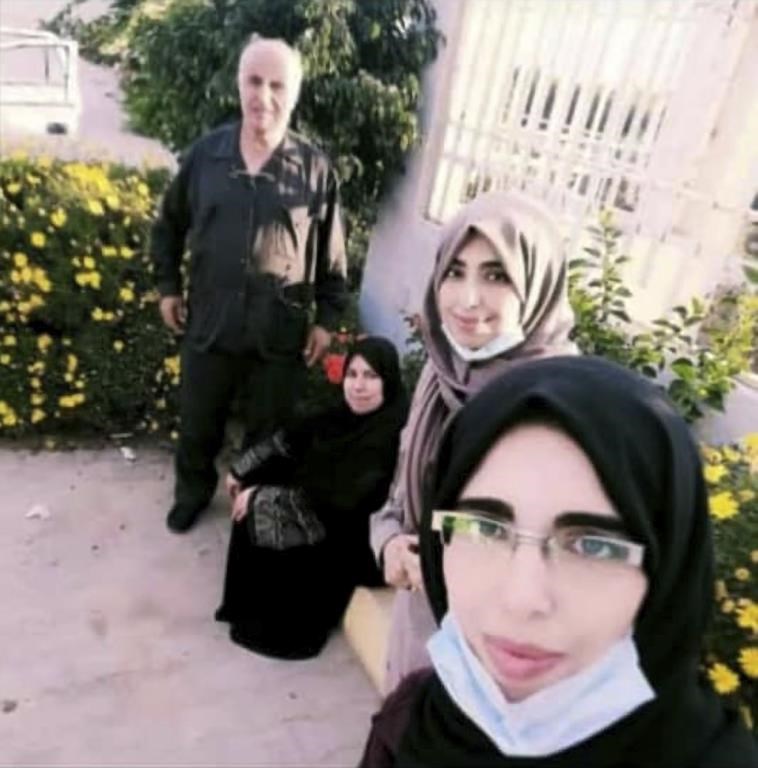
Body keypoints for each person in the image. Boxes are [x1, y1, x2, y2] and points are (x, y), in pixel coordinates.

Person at [360, 356, 758, 767]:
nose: (522, 598)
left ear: (670, 570)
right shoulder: (413, 723)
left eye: (593, 546)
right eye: (485, 528)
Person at [370, 191, 577, 692]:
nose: (466, 300)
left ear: (538, 283)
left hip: (498, 668)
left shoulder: (567, 410)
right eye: (455, 271)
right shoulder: (442, 376)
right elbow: (398, 500)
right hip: (416, 642)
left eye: (496, 275)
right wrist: (391, 545)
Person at [150, 36, 348, 533]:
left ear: (294, 94)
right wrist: (168, 287)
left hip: (277, 332)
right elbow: (168, 225)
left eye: (276, 84)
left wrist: (326, 320)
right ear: (239, 85)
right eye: (254, 81)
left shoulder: (315, 170)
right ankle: (192, 493)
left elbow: (333, 256)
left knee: (268, 433)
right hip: (210, 323)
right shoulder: (205, 156)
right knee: (199, 422)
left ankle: (253, 505)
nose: (263, 96)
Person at [215, 336, 408, 660]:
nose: (359, 386)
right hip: (329, 508)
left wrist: (263, 495)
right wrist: (242, 471)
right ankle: (246, 605)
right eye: (353, 374)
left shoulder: (391, 432)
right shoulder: (341, 417)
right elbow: (291, 437)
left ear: (388, 381)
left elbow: (347, 498)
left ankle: (283, 626)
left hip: (358, 536)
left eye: (371, 377)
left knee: (265, 506)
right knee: (265, 481)